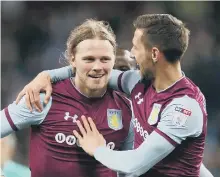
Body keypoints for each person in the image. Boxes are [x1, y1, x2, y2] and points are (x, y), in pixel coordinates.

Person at [15, 14, 213, 177]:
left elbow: (134, 165)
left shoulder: (184, 108)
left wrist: (98, 149)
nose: (132, 54)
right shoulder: (137, 82)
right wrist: (46, 76)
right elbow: (90, 72)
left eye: (135, 47)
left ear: (154, 54)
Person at [1, 19, 134, 177]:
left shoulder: (126, 109)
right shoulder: (45, 99)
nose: (97, 67)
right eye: (89, 59)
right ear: (72, 59)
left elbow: (129, 169)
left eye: (105, 59)